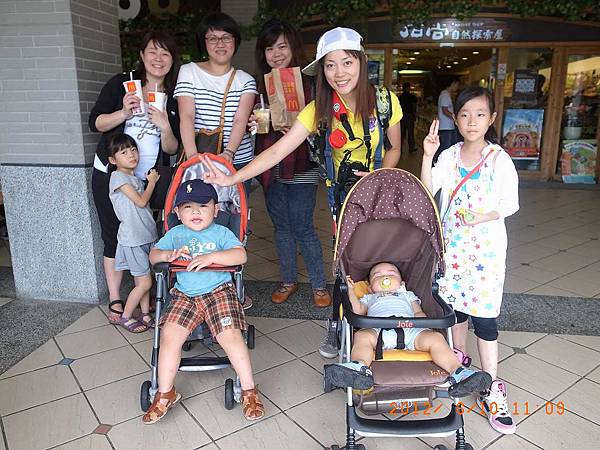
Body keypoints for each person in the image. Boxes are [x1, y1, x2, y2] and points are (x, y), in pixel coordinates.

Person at [201, 27, 403, 358]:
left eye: (347, 62)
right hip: (344, 198)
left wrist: (379, 175)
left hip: (381, 190)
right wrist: (231, 178)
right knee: (345, 265)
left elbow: (394, 148)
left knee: (382, 257)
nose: (340, 73)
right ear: (322, 70)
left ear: (361, 63)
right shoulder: (318, 109)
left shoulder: (384, 101)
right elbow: (276, 152)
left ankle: (390, 317)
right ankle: (338, 326)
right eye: (330, 65)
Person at [421, 86, 519, 434]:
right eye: (464, 114)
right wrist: (427, 154)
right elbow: (430, 191)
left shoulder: (498, 158)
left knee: (486, 318)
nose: (471, 121)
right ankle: (460, 370)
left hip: (487, 252)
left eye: (479, 114)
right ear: (455, 118)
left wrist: (481, 216)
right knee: (457, 311)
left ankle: (492, 386)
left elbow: (510, 203)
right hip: (454, 249)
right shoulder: (448, 156)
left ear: (491, 119)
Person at [143, 179, 264, 424]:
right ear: (176, 212)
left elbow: (240, 255)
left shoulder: (221, 233)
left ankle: (249, 390)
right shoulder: (175, 234)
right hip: (184, 295)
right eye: (187, 207)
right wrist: (168, 255)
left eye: (202, 205)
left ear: (216, 209)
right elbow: (154, 255)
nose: (195, 212)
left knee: (230, 336)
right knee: (169, 337)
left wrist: (212, 257)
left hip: (218, 291)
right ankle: (165, 392)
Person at [89, 31, 180, 324]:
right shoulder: (121, 84)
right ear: (141, 55)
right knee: (113, 234)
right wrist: (123, 111)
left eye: (165, 53)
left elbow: (172, 148)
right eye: (152, 51)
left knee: (145, 235)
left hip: (149, 180)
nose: (158, 59)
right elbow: (97, 122)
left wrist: (165, 126)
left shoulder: (176, 95)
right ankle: (116, 297)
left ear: (172, 59)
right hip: (112, 176)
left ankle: (145, 294)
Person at [324, 263, 492, 398]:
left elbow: (418, 312)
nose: (385, 276)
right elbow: (359, 311)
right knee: (361, 336)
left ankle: (458, 372)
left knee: (436, 339)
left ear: (402, 283)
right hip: (378, 332)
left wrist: (426, 325)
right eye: (377, 275)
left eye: (391, 273)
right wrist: (352, 292)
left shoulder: (407, 295)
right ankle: (359, 368)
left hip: (411, 331)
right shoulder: (369, 297)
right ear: (369, 287)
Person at [252, 19, 330, 308]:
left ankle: (319, 284)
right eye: (270, 48)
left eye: (282, 46)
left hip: (302, 164)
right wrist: (254, 123)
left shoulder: (311, 83)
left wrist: (303, 127)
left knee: (303, 225)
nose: (276, 53)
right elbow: (255, 127)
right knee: (281, 227)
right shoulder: (258, 85)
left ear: (293, 48)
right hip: (270, 165)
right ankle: (288, 280)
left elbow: (322, 122)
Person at [175, 12, 256, 182]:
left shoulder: (246, 80)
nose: (220, 44)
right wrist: (192, 156)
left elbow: (240, 119)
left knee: (235, 208)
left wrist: (229, 153)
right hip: (199, 158)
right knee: (198, 207)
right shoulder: (189, 71)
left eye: (226, 37)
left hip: (238, 160)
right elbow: (187, 116)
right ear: (204, 43)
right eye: (212, 38)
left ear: (235, 41)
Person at [107, 134, 159, 332]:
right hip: (133, 239)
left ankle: (145, 314)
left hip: (146, 235)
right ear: (113, 160)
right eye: (124, 152)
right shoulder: (117, 177)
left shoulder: (133, 177)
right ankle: (126, 316)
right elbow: (141, 201)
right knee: (144, 282)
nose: (131, 154)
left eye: (133, 149)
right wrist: (152, 182)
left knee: (144, 279)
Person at [434, 77, 460, 162]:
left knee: (446, 146)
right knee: (445, 147)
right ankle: (439, 162)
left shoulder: (446, 94)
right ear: (453, 84)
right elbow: (445, 110)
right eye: (457, 85)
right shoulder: (445, 95)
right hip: (446, 127)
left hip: (447, 126)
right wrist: (455, 118)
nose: (457, 87)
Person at [399, 82, 418, 153]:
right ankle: (411, 147)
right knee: (410, 133)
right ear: (408, 88)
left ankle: (399, 148)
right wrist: (414, 115)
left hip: (402, 116)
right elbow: (414, 106)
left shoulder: (400, 97)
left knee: (401, 133)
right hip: (410, 115)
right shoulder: (412, 97)